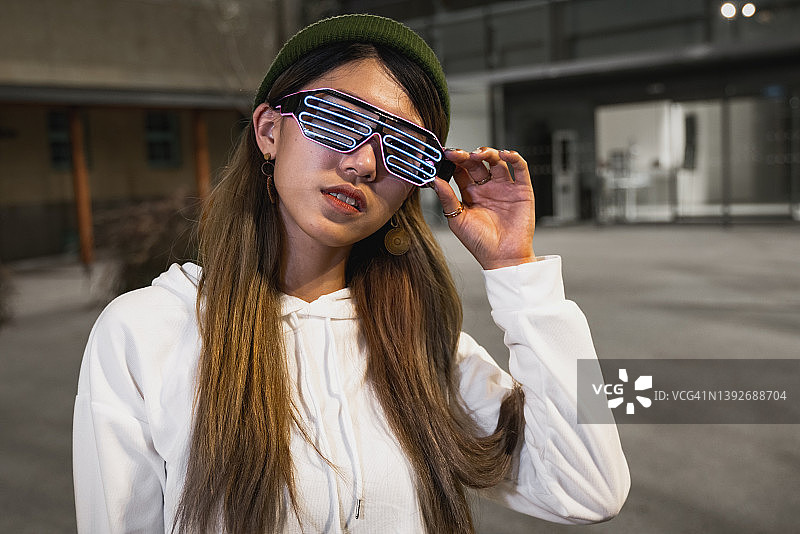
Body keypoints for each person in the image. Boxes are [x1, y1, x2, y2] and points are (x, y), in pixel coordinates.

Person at [72, 13, 630, 534]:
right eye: (339, 119)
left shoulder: (421, 343)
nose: (363, 162)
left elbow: (587, 489)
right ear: (269, 130)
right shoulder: (146, 332)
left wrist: (518, 274)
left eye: (403, 149)